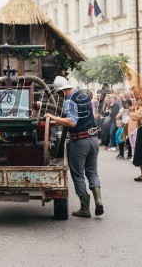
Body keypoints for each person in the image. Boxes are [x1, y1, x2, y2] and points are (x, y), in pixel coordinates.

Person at [44, 76, 103, 218]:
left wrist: (52, 117)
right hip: (93, 139)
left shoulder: (69, 101)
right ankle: (99, 200)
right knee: (92, 171)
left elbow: (71, 122)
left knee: (78, 175)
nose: (58, 96)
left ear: (62, 91)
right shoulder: (84, 96)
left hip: (80, 141)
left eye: (58, 93)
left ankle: (84, 208)